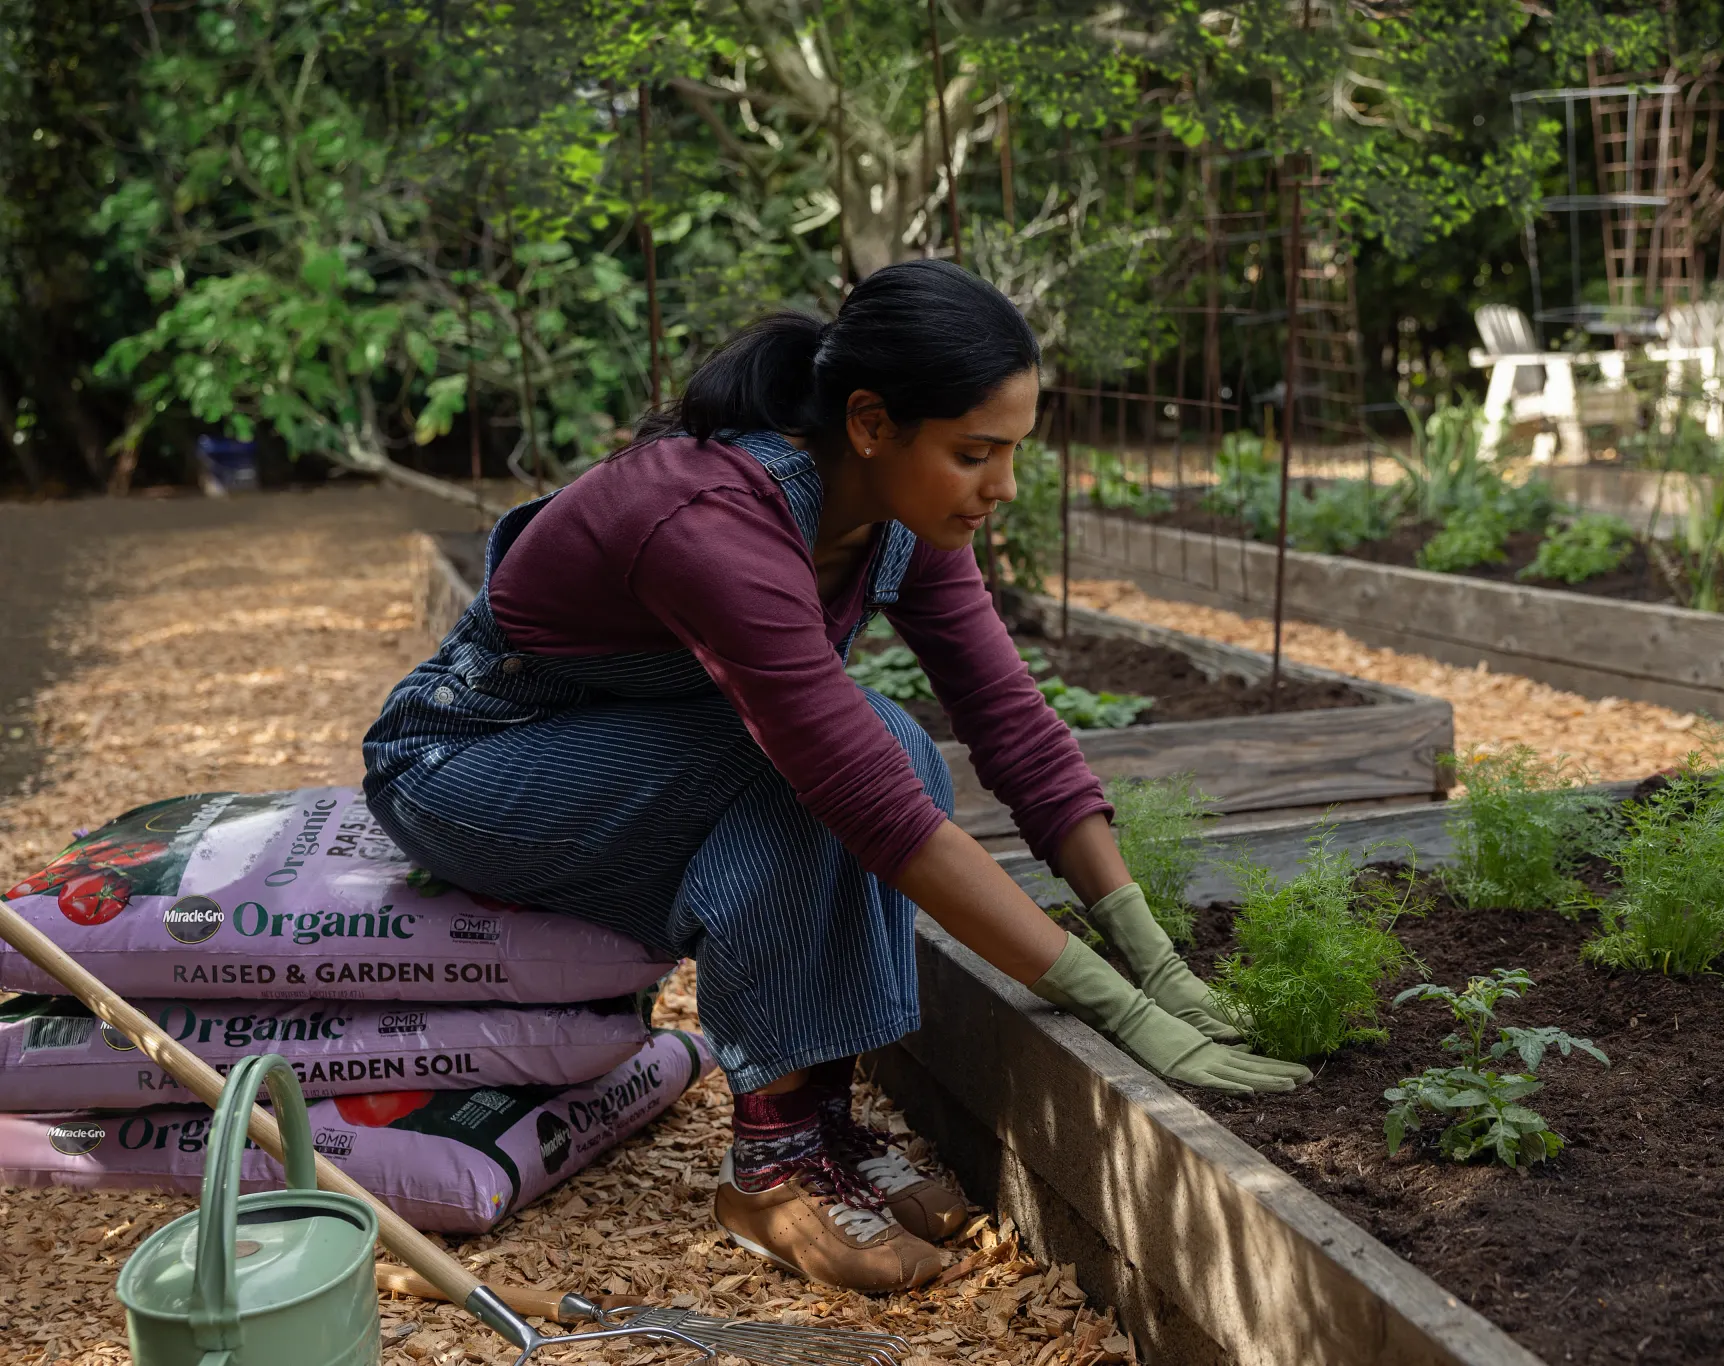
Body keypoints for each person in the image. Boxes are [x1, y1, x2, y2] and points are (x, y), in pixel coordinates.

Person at [361, 260, 1309, 1294]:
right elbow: (862, 801)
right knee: (846, 766)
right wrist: (1117, 1014)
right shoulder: (711, 517)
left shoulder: (900, 516)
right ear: (869, 423)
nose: (1002, 487)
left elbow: (1011, 724)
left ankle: (820, 1127)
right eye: (975, 453)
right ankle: (768, 1164)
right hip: (471, 759)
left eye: (1011, 452)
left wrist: (1148, 953)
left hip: (630, 751)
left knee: (880, 748)